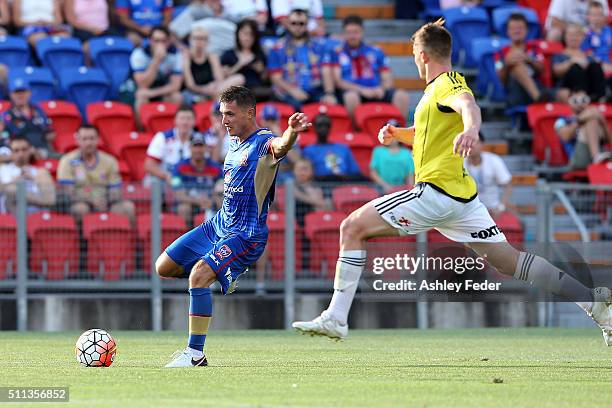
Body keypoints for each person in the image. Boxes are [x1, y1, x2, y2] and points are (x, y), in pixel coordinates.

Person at [292, 19, 612, 345]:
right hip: (462, 201)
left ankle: (336, 317)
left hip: (435, 194)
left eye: (415, 54)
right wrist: (399, 134)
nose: (415, 60)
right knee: (509, 261)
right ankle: (595, 305)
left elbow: (468, 105)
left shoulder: (448, 82)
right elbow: (429, 134)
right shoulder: (432, 94)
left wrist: (472, 129)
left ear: (423, 55)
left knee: (351, 227)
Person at [158, 86, 310, 367]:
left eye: (230, 114)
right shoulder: (234, 144)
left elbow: (281, 145)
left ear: (250, 113)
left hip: (245, 234)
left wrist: (292, 132)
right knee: (163, 267)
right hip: (218, 225)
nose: (223, 120)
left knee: (199, 275)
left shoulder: (263, 142)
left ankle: (195, 354)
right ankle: (218, 272)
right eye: (221, 114)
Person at [324, 15, 410, 119]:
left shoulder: (376, 51)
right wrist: (362, 90)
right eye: (349, 32)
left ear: (362, 32)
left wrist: (381, 89)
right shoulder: (337, 52)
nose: (352, 36)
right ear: (343, 34)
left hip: (376, 91)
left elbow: (387, 78)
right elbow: (338, 82)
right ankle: (355, 133)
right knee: (351, 97)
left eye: (356, 32)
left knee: (402, 96)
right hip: (353, 91)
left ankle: (398, 131)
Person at [57, 125, 135, 224]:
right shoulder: (67, 161)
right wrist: (91, 200)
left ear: (98, 139)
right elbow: (68, 192)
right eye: (84, 139)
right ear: (77, 140)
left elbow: (115, 189)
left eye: (92, 139)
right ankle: (82, 239)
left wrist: (106, 200)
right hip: (80, 202)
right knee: (81, 209)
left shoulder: (109, 161)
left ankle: (130, 239)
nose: (88, 143)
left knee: (127, 207)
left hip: (106, 201)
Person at [268, 8, 333, 110]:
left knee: (327, 106)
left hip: (315, 91)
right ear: (288, 24)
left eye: (301, 23)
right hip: (287, 92)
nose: (297, 27)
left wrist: (329, 93)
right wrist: (293, 90)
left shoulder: (319, 47)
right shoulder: (277, 48)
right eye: (294, 23)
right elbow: (276, 78)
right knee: (296, 107)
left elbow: (326, 71)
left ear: (307, 25)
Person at [494, 13, 551, 107]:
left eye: (520, 28)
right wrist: (507, 64)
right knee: (516, 64)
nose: (517, 31)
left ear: (527, 30)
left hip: (538, 86)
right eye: (513, 28)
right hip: (515, 94)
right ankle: (537, 98)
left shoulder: (534, 49)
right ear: (508, 31)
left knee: (563, 93)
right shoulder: (500, 53)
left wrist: (529, 59)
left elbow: (542, 69)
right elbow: (501, 80)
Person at [172, 132, 223, 226]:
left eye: (201, 146)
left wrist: (212, 201)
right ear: (190, 148)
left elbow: (221, 188)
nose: (198, 150)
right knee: (184, 208)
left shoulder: (215, 168)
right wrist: (198, 201)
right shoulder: (179, 167)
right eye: (195, 146)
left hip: (209, 203)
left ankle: (219, 236)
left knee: (221, 202)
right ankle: (187, 237)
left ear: (206, 148)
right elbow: (178, 194)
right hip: (190, 202)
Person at [182, 27, 243, 105]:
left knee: (239, 78)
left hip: (212, 90)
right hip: (194, 92)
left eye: (202, 39)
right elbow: (190, 85)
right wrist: (204, 89)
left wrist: (213, 86)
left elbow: (219, 79)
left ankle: (215, 100)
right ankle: (216, 101)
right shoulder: (186, 57)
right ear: (190, 40)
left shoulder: (212, 57)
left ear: (207, 41)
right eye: (196, 38)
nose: (199, 41)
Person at [554, 89, 612, 170]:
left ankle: (597, 157)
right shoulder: (561, 120)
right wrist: (580, 120)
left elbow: (610, 142)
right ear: (569, 103)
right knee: (591, 120)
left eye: (583, 100)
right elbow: (565, 137)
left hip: (599, 157)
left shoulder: (595, 118)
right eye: (575, 101)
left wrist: (603, 122)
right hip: (576, 160)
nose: (580, 104)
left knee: (592, 120)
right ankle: (596, 157)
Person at [131, 26, 183, 113]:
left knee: (176, 97)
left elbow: (176, 85)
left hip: (162, 90)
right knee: (141, 99)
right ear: (150, 41)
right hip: (143, 89)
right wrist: (156, 60)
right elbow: (143, 84)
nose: (160, 45)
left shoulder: (176, 54)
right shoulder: (139, 54)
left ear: (169, 41)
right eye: (156, 41)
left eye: (163, 41)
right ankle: (141, 127)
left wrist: (151, 93)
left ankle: (170, 126)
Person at [145, 106, 203, 184]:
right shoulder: (162, 137)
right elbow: (149, 164)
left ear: (195, 121)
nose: (185, 122)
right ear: (175, 120)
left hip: (190, 181)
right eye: (182, 118)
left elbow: (206, 164)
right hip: (165, 180)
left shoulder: (199, 140)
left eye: (189, 119)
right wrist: (166, 176)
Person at [2, 78, 56, 161]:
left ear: (29, 93)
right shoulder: (6, 116)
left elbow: (48, 131)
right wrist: (26, 151)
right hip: (19, 154)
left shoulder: (38, 110)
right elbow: (5, 139)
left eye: (23, 91)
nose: (20, 95)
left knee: (65, 159)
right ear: (11, 94)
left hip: (42, 151)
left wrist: (50, 135)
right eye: (16, 92)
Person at [552, 23, 608, 103]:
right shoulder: (560, 55)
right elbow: (556, 71)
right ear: (565, 37)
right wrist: (572, 61)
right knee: (576, 67)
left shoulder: (589, 55)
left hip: (589, 89)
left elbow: (602, 69)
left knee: (595, 66)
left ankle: (601, 97)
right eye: (571, 35)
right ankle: (580, 96)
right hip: (569, 90)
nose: (574, 38)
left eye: (577, 35)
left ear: (582, 38)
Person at [0, 136, 55, 214]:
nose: (21, 154)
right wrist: (14, 182)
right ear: (11, 153)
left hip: (37, 216)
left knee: (12, 190)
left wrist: (34, 179)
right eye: (16, 150)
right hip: (8, 217)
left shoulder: (40, 172)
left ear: (30, 150)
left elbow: (50, 200)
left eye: (24, 149)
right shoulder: (2, 170)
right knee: (11, 190)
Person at [301, 113, 363, 181]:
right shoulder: (308, 150)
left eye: (326, 125)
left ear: (330, 127)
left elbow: (356, 173)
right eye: (320, 125)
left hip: (344, 185)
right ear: (314, 127)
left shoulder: (343, 148)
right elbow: (306, 175)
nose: (323, 128)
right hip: (320, 187)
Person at [465, 134, 512, 219]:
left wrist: (501, 208)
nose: (472, 145)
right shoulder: (459, 163)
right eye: (468, 142)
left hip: (492, 210)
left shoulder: (493, 160)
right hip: (468, 211)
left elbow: (508, 185)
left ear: (482, 144)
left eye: (475, 142)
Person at [221, 19, 270, 100]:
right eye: (244, 34)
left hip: (256, 93)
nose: (247, 38)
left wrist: (261, 70)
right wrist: (240, 64)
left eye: (251, 34)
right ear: (238, 34)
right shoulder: (229, 54)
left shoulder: (260, 54)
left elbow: (265, 79)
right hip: (234, 94)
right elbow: (223, 78)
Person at [369, 125, 414, 193]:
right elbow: (373, 172)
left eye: (394, 132)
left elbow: (410, 175)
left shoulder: (407, 153)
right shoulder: (378, 151)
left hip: (401, 190)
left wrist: (409, 190)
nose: (392, 136)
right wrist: (385, 185)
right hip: (381, 189)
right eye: (389, 132)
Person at [581, 1, 612, 77]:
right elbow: (586, 52)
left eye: (600, 15)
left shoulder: (609, 31)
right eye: (594, 15)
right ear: (587, 16)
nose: (597, 18)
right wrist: (601, 64)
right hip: (594, 66)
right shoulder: (585, 33)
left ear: (604, 16)